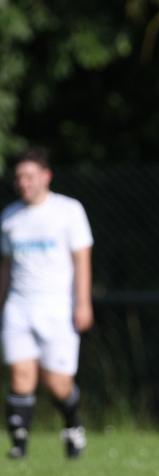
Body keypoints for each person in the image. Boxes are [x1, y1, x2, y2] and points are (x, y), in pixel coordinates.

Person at [2, 147, 94, 459]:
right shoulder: (10, 217)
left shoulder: (68, 211)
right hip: (19, 305)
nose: (23, 183)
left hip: (57, 306)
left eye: (29, 176)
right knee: (21, 375)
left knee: (57, 384)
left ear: (46, 176)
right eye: (19, 177)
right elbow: (5, 266)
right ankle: (19, 445)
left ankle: (72, 423)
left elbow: (81, 259)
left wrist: (83, 303)